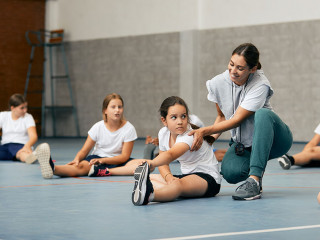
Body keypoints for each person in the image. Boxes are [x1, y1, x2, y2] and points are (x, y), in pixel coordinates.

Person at [188, 43, 293, 200]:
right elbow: (222, 117)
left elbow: (237, 120)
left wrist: (203, 131)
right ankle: (255, 174)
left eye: (240, 68)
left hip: (276, 141)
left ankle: (255, 181)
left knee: (263, 114)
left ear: (253, 68)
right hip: (245, 145)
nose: (233, 71)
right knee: (231, 172)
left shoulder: (260, 84)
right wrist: (208, 141)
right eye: (231, 64)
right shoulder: (217, 83)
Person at [131, 96, 222, 206]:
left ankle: (149, 196)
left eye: (183, 116)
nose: (180, 121)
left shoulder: (189, 134)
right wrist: (169, 177)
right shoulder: (163, 133)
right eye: (174, 117)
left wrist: (152, 162)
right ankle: (163, 190)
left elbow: (171, 155)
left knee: (177, 185)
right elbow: (164, 163)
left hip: (208, 179)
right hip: (188, 177)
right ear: (164, 120)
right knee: (150, 178)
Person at [36, 93, 144, 179]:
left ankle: (105, 172)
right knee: (80, 167)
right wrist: (77, 159)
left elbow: (124, 157)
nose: (117, 110)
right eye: (113, 107)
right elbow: (84, 151)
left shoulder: (129, 128)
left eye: (120, 107)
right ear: (105, 110)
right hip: (97, 159)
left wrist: (104, 161)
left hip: (119, 161)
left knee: (145, 165)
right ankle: (53, 168)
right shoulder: (97, 127)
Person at [143, 114, 227, 161]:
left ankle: (232, 153)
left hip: (197, 147)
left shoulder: (192, 123)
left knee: (217, 155)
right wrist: (157, 142)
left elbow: (207, 138)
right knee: (218, 153)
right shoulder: (165, 131)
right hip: (192, 147)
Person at [0, 94, 38, 163]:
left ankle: (30, 157)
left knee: (21, 154)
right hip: (5, 146)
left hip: (21, 145)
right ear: (12, 108)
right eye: (22, 108)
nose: (25, 110)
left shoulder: (28, 117)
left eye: (26, 107)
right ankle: (32, 155)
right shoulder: (3, 116)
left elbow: (33, 136)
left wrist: (27, 146)